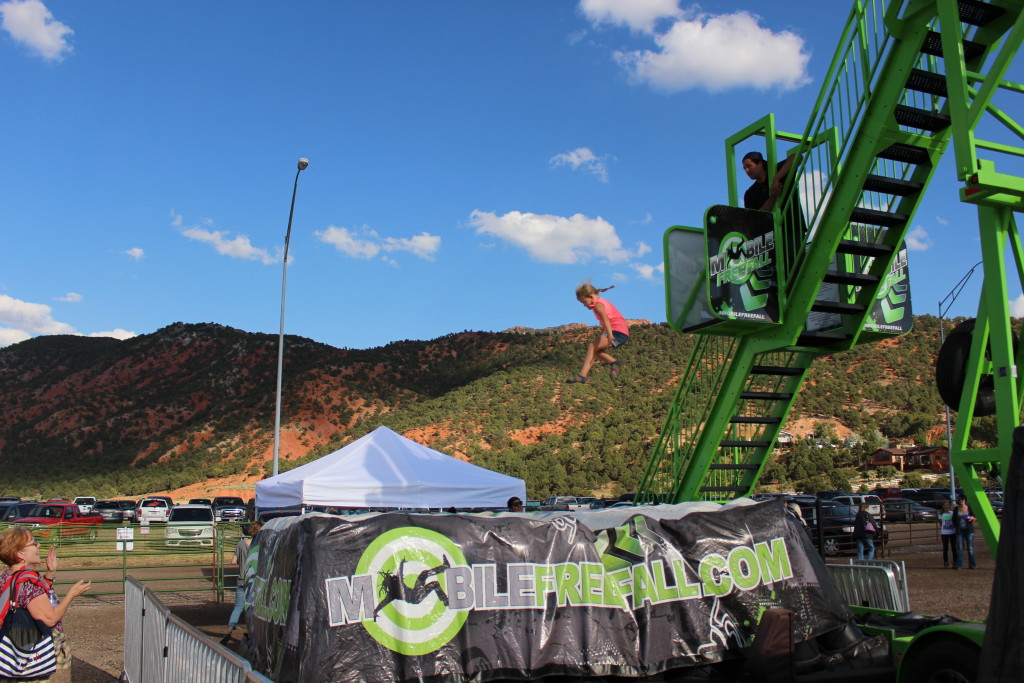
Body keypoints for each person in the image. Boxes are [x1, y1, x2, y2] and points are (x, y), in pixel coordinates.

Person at [0, 528, 91, 682]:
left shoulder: (7, 576)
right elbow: (50, 618)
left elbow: (29, 600)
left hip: (13, 645)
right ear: (20, 554)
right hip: (31, 650)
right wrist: (72, 594)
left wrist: (49, 575)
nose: (38, 545)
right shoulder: (29, 582)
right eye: (33, 543)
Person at [567, 283, 629, 384]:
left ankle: (582, 375)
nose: (584, 305)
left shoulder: (598, 306)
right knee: (595, 351)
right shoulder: (600, 302)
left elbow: (606, 321)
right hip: (621, 332)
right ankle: (614, 363)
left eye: (585, 302)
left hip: (617, 331)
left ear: (591, 296)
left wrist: (609, 335)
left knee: (591, 346)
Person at [222, 521, 263, 644]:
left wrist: (242, 561)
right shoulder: (261, 545)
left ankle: (230, 627)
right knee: (254, 607)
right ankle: (253, 633)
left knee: (238, 606)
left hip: (241, 579)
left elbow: (233, 561)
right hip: (255, 580)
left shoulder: (240, 544)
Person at [954, 497, 977, 570]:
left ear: (965, 501)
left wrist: (972, 519)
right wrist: (956, 526)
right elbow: (953, 519)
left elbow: (975, 518)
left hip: (969, 530)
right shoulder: (956, 509)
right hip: (960, 530)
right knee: (960, 548)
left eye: (962, 500)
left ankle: (972, 565)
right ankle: (959, 565)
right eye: (960, 500)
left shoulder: (969, 508)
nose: (961, 501)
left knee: (970, 548)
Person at [939, 500, 959, 569]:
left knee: (954, 548)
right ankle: (946, 562)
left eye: (947, 505)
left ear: (949, 506)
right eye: (944, 505)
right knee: (945, 548)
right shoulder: (941, 514)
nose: (946, 506)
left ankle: (955, 562)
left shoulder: (952, 513)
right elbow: (941, 523)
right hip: (944, 533)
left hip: (952, 532)